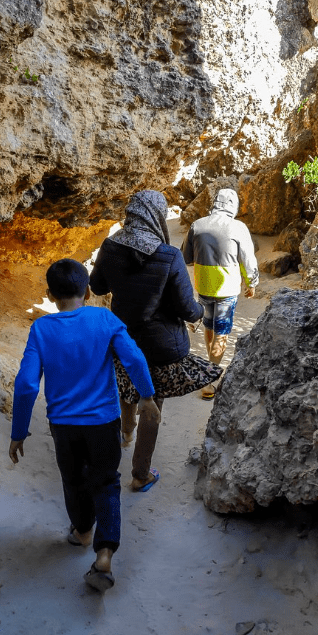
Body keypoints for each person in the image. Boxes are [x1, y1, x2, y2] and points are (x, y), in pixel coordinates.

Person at [9, 258, 160, 593]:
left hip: (64, 426)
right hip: (104, 421)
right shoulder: (103, 318)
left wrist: (19, 431)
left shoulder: (42, 329)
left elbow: (26, 385)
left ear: (49, 295)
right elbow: (133, 357)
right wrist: (146, 396)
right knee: (106, 483)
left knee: (74, 480)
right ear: (88, 290)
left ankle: (82, 532)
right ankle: (104, 555)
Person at [89, 190, 223, 491]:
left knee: (127, 380)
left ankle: (125, 431)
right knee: (154, 399)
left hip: (122, 336)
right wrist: (201, 310)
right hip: (162, 345)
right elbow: (187, 309)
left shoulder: (110, 246)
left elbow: (96, 285)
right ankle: (140, 474)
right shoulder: (169, 255)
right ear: (157, 216)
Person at [181, 188, 259, 400]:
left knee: (208, 326)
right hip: (228, 288)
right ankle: (212, 378)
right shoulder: (238, 227)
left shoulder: (197, 225)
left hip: (204, 285)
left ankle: (210, 366)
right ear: (233, 205)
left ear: (215, 203)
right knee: (222, 331)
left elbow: (186, 257)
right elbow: (247, 259)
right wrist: (252, 282)